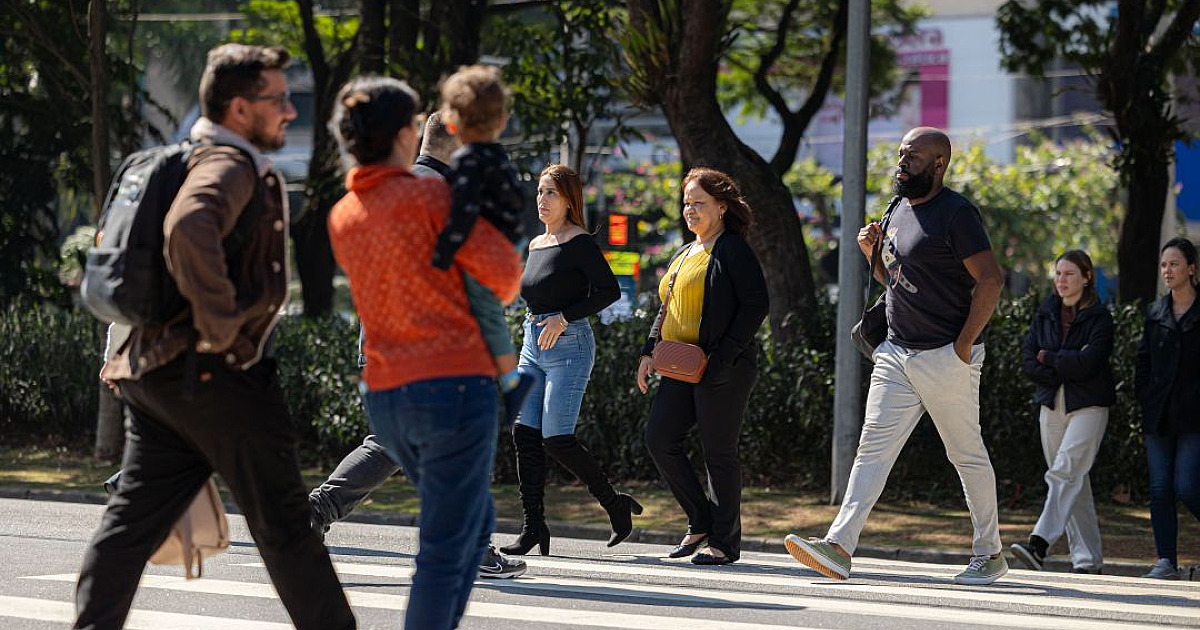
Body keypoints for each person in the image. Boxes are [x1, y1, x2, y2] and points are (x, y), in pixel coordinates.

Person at [77, 44, 355, 630]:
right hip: (217, 377)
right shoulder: (229, 164)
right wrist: (223, 327)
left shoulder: (185, 155)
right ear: (238, 107)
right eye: (276, 100)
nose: (288, 112)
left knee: (127, 529)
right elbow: (188, 226)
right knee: (288, 531)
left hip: (155, 376)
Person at [328, 76, 521, 629]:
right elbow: (506, 279)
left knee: (470, 525)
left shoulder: (346, 212)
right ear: (404, 131)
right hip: (453, 384)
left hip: (387, 391)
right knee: (445, 551)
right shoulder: (435, 196)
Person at [785, 127, 1009, 585]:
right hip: (896, 352)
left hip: (945, 356)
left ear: (939, 163)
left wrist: (962, 347)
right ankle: (840, 546)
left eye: (914, 156)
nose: (903, 162)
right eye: (902, 153)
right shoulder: (898, 209)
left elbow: (990, 280)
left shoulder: (957, 214)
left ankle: (990, 553)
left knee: (966, 455)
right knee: (872, 451)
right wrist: (874, 254)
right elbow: (901, 285)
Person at [636, 167, 769, 566]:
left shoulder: (731, 249)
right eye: (687, 203)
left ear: (722, 207)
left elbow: (756, 304)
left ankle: (724, 542)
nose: (690, 210)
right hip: (680, 365)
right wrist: (648, 351)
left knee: (719, 453)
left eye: (699, 203)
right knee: (659, 438)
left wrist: (723, 356)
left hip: (721, 366)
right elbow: (668, 306)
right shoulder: (687, 251)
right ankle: (701, 520)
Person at [499, 164, 634, 556]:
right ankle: (533, 527)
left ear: (570, 199)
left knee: (556, 439)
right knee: (523, 434)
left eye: (551, 193)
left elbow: (608, 291)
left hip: (569, 346)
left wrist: (564, 316)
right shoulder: (536, 245)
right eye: (540, 192)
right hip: (531, 343)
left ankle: (616, 505)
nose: (542, 200)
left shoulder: (580, 243)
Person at [433, 64, 534, 424]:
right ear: (502, 121)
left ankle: (512, 382)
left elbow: (464, 213)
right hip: (510, 246)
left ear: (451, 122)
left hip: (488, 254)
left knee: (486, 313)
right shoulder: (501, 157)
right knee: (485, 309)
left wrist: (441, 255)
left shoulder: (466, 161)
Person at [1011, 250, 1114, 574]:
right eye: (1058, 274)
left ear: (1087, 277)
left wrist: (1051, 358)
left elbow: (1089, 363)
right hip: (1051, 404)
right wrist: (1065, 362)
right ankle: (1088, 560)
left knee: (1064, 472)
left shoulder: (1100, 318)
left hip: (1089, 405)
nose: (1061, 280)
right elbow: (1029, 362)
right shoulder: (1045, 314)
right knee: (1073, 480)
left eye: (1069, 274)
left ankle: (1039, 544)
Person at [1135, 237, 1200, 580]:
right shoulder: (1155, 313)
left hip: (1194, 416)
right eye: (1163, 265)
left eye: (1174, 264)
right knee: (1160, 489)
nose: (1167, 271)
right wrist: (1144, 395)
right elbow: (1143, 362)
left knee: (1187, 485)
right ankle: (1166, 561)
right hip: (1158, 414)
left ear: (1192, 268)